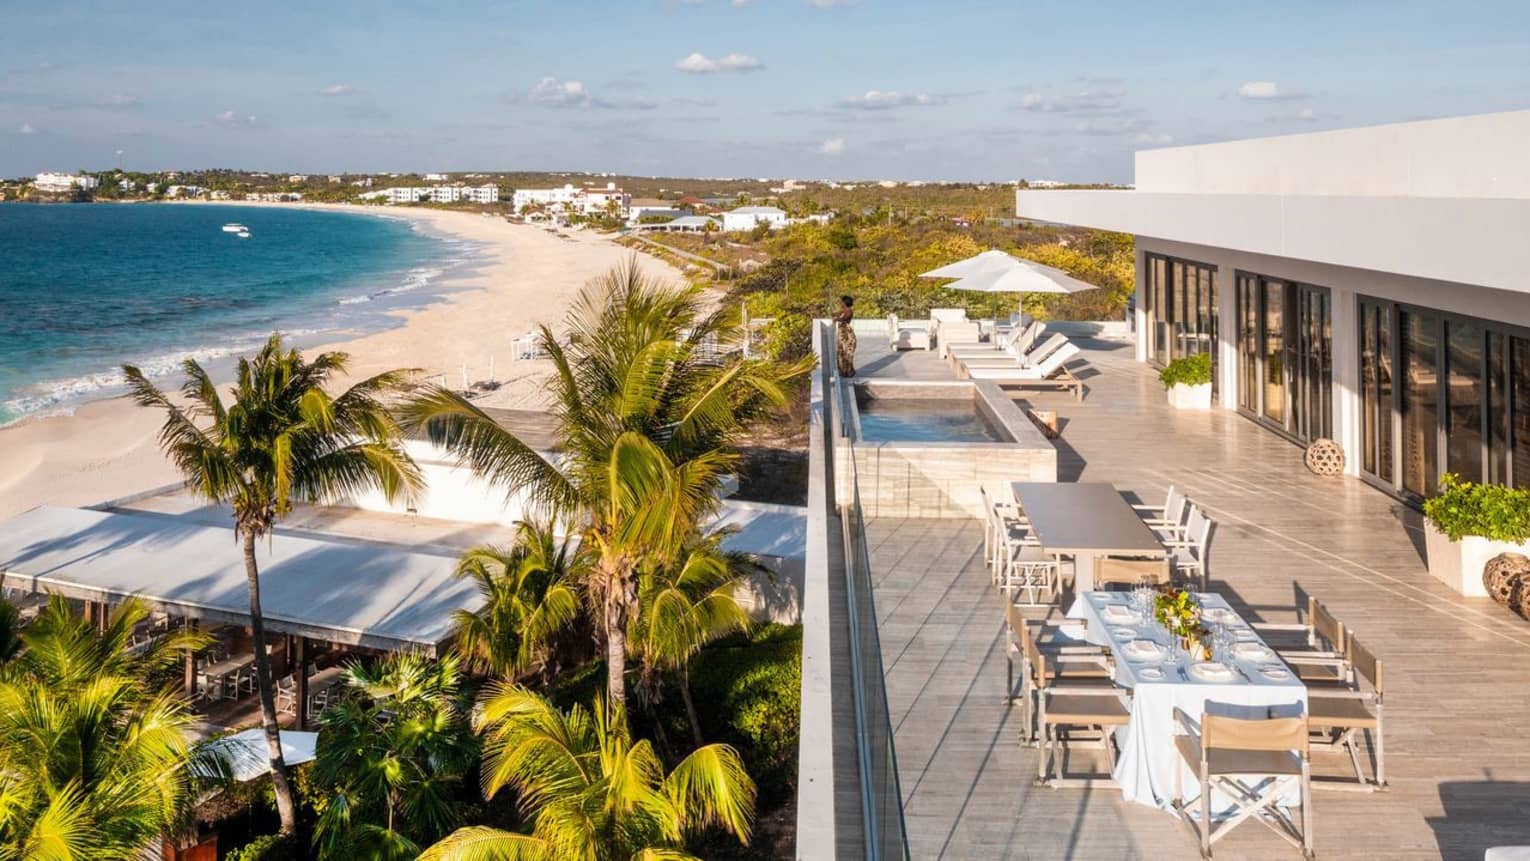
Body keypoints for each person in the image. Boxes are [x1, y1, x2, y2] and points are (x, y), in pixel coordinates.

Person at [833, 294, 856, 377]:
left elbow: (845, 318)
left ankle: (848, 372)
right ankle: (843, 372)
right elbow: (835, 314)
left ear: (845, 302)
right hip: (842, 333)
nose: (840, 303)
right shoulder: (843, 310)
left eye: (842, 301)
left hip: (846, 334)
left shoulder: (849, 310)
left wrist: (837, 319)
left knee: (846, 353)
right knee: (841, 352)